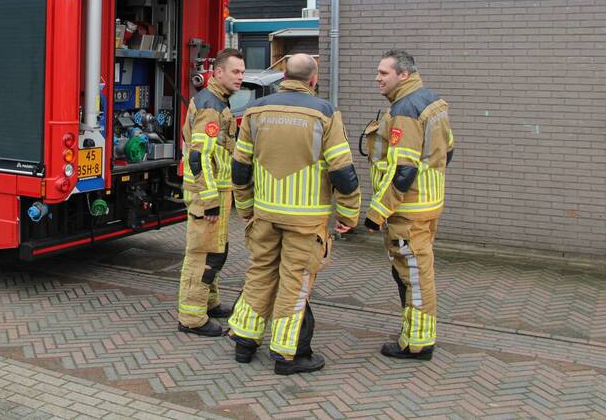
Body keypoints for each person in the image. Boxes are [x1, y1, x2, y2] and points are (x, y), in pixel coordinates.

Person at [227, 54, 361, 374]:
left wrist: (244, 206)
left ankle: (245, 342)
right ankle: (288, 355)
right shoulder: (326, 113)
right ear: (313, 80)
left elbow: (240, 166)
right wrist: (349, 213)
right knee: (294, 283)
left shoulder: (256, 111)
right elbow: (342, 171)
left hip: (265, 213)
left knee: (260, 273)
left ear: (283, 74)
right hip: (305, 219)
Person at [362, 50, 454, 361]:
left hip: (408, 211)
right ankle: (414, 333)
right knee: (416, 272)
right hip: (427, 205)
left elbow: (404, 171)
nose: (377, 78)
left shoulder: (406, 110)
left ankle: (417, 343)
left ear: (403, 75)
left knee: (414, 276)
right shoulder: (431, 100)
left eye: (384, 73)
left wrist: (377, 214)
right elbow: (448, 151)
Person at [177, 47, 246, 336]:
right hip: (208, 195)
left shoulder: (216, 101)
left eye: (242, 72)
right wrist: (209, 201)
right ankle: (192, 319)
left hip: (217, 192)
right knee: (203, 254)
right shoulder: (211, 107)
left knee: (217, 249)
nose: (240, 77)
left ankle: (209, 301)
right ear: (217, 73)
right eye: (235, 72)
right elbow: (198, 158)